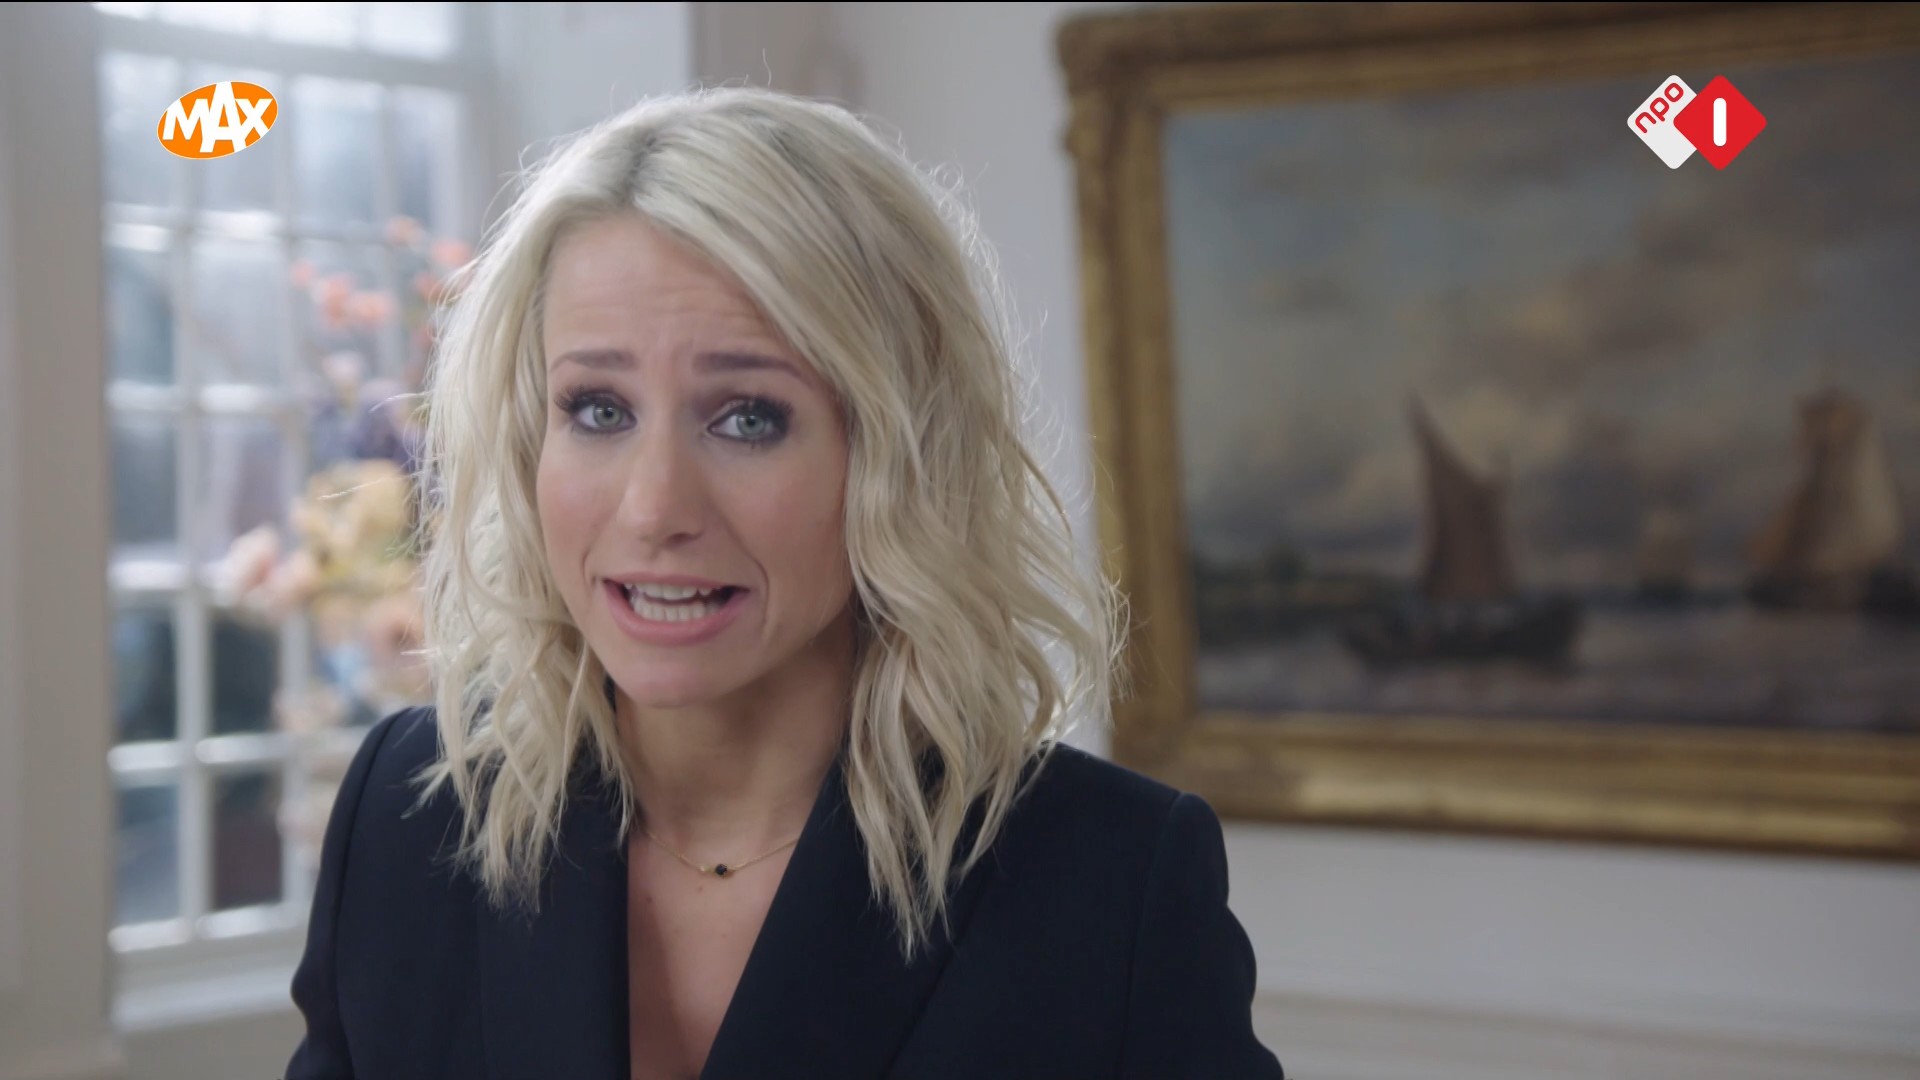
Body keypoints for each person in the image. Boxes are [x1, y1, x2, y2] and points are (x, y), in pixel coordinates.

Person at [285, 86, 1285, 1080]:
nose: (654, 508)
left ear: (896, 455)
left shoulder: (1113, 884)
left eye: (748, 418)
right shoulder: (405, 817)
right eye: (597, 410)